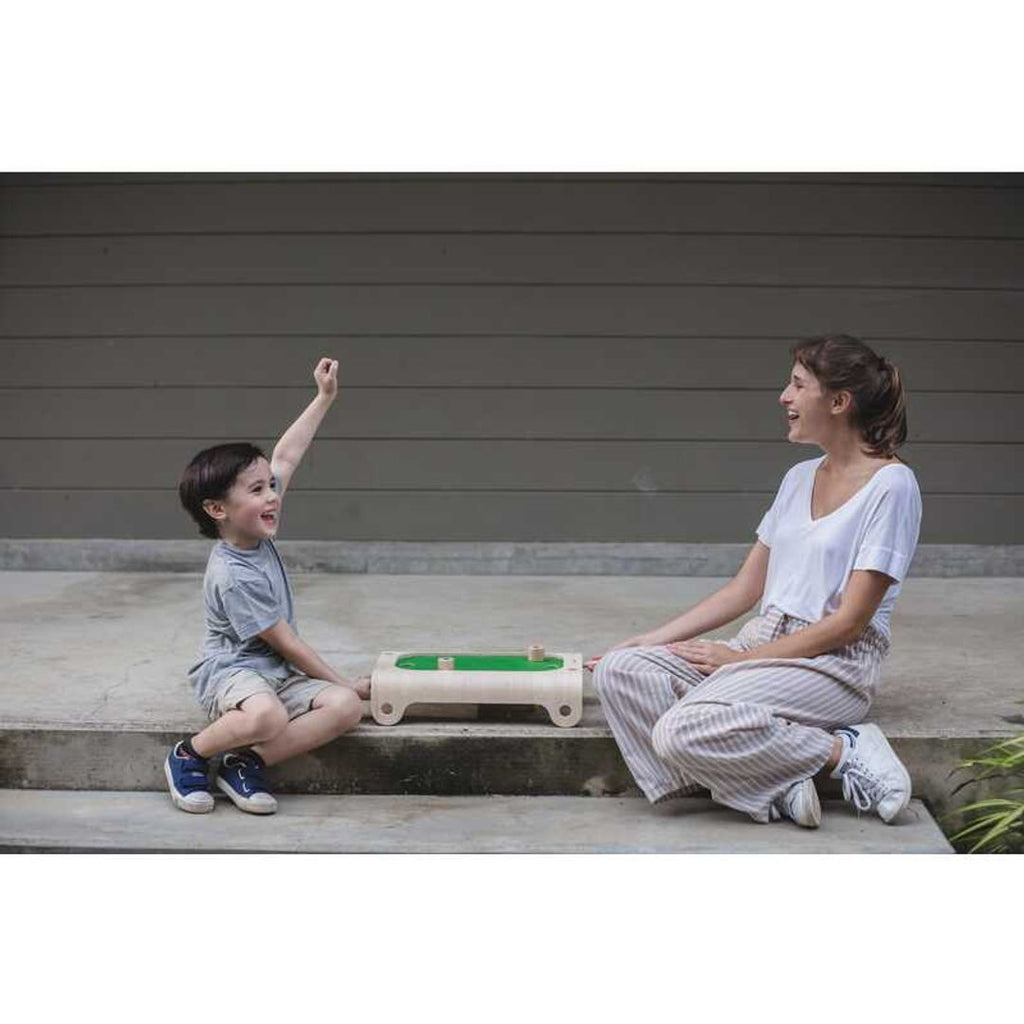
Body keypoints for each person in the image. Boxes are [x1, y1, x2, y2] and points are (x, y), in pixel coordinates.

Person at [589, 334, 922, 828]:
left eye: (797, 385)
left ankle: (843, 749)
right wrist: (648, 640)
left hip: (832, 663)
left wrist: (741, 661)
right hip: (764, 641)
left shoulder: (892, 486)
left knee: (679, 730)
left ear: (838, 401)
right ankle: (770, 782)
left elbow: (850, 623)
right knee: (619, 671)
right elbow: (745, 590)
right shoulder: (799, 478)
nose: (783, 397)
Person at [167, 357, 369, 815]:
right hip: (232, 673)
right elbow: (289, 644)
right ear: (218, 510)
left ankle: (245, 762)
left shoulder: (254, 529)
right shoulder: (233, 574)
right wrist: (346, 682)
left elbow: (286, 455)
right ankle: (190, 755)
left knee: (343, 709)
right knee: (267, 715)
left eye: (271, 488)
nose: (273, 495)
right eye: (258, 491)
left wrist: (324, 397)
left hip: (272, 674)